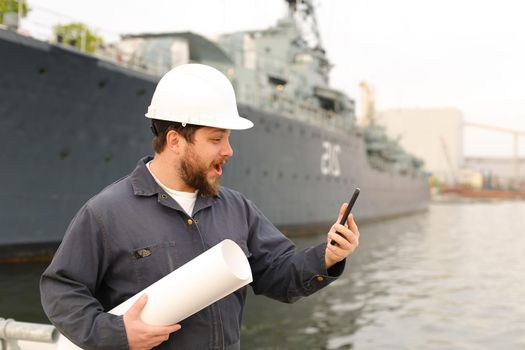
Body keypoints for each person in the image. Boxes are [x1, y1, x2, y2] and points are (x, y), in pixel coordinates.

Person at [40, 64, 360, 350]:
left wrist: (328, 257)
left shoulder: (238, 209)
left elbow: (280, 275)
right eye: (216, 139)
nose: (229, 151)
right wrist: (115, 333)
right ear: (176, 140)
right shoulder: (106, 213)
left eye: (228, 139)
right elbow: (62, 290)